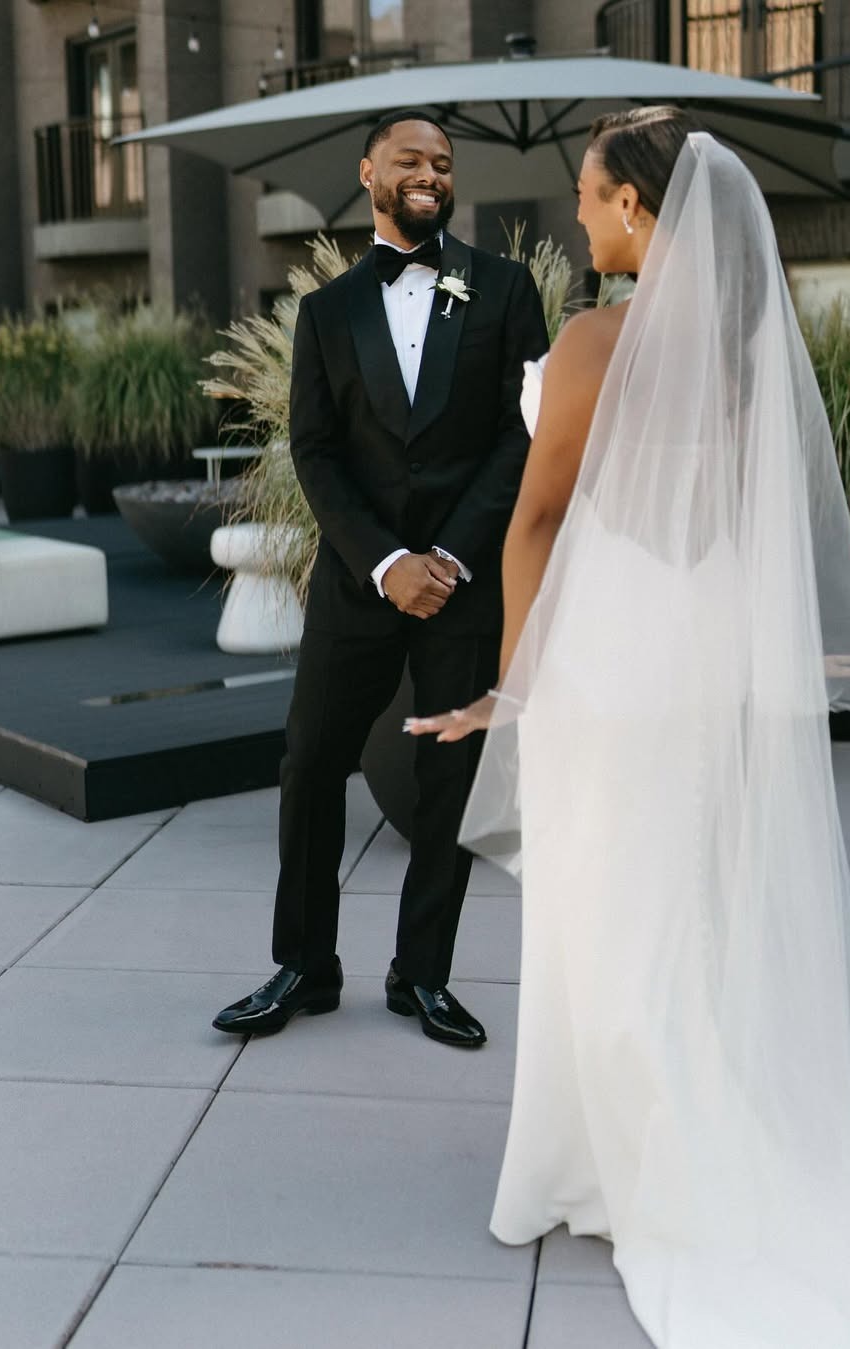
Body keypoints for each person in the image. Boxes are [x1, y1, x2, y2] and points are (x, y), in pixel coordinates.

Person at [409, 109, 850, 1344]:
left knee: (602, 907)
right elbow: (748, 526)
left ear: (637, 210)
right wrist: (774, 648)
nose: (578, 216)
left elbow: (533, 527)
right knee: (690, 902)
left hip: (614, 653)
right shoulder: (747, 342)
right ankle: (683, 1139)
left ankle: (620, 1163)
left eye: (588, 196)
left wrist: (515, 690)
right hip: (701, 653)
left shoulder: (592, 343)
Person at [214, 109, 548, 1050]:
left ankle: (424, 973)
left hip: (464, 583)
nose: (430, 174)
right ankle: (305, 965)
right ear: (369, 172)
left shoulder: (507, 288)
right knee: (312, 760)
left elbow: (526, 437)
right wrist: (388, 562)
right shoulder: (326, 313)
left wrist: (448, 557)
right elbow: (316, 452)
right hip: (360, 583)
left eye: (443, 163)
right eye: (411, 159)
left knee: (449, 779)